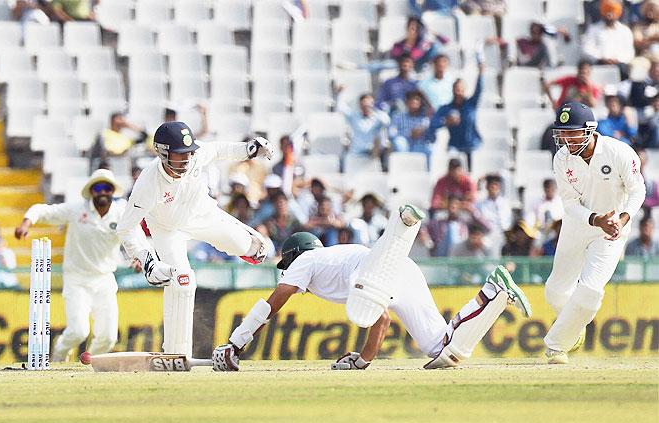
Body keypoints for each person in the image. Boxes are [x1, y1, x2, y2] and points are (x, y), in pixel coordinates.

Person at [209, 206, 531, 372]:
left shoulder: (306, 261)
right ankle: (492, 292)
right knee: (443, 351)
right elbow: (383, 320)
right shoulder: (330, 259)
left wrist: (235, 344)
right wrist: (363, 358)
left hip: (373, 269)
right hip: (400, 270)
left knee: (366, 309)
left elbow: (271, 304)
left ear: (294, 255)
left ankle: (402, 223)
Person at [116, 122, 275, 357]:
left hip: (203, 214)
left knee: (256, 249)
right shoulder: (148, 183)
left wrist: (249, 149)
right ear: (162, 153)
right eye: (178, 156)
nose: (186, 161)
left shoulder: (195, 155)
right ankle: (175, 354)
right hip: (167, 229)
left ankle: (245, 245)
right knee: (182, 282)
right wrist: (147, 260)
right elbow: (126, 228)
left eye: (188, 154)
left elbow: (220, 150)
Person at [544, 102, 646, 364]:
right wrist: (594, 219)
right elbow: (569, 204)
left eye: (572, 132)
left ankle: (556, 346)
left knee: (590, 290)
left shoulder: (619, 152)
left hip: (612, 229)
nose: (566, 139)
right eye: (562, 133)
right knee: (555, 292)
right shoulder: (562, 158)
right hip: (579, 224)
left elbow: (638, 191)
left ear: (589, 130)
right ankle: (573, 331)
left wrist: (621, 220)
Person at [14, 169, 142, 361]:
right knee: (78, 331)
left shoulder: (121, 212)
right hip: (77, 279)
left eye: (107, 188)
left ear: (112, 191)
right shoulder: (77, 210)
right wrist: (26, 223)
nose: (102, 192)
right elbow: (43, 210)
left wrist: (138, 256)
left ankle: (91, 365)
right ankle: (58, 357)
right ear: (91, 191)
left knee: (108, 337)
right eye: (98, 188)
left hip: (104, 279)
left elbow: (136, 237)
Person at [426, 58, 485, 167]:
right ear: (453, 90)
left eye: (461, 89)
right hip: (455, 146)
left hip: (472, 145)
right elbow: (433, 123)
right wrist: (445, 121)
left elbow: (479, 90)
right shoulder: (446, 108)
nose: (459, 92)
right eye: (456, 89)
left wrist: (481, 74)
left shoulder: (471, 104)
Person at [581, 0, 635, 79]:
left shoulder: (625, 31)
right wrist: (602, 58)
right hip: (599, 64)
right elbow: (586, 49)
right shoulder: (593, 29)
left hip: (619, 65)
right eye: (607, 12)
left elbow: (629, 52)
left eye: (613, 12)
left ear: (618, 14)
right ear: (602, 13)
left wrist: (617, 59)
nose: (610, 15)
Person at [336, 89, 390, 158]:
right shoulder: (354, 116)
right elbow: (341, 108)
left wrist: (376, 111)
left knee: (382, 133)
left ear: (373, 103)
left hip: (374, 151)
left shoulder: (379, 116)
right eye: (364, 104)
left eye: (369, 104)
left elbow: (387, 121)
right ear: (360, 105)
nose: (366, 107)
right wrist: (341, 93)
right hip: (357, 151)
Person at [388, 90, 432, 164]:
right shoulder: (398, 116)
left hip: (419, 144)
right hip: (403, 144)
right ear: (406, 102)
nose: (415, 102)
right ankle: (402, 167)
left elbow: (430, 135)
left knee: (429, 149)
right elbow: (391, 133)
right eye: (412, 99)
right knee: (399, 141)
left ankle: (427, 173)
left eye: (417, 100)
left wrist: (421, 132)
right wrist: (409, 134)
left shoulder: (424, 118)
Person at [476, 174, 512, 255]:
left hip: (504, 235)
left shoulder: (505, 203)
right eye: (491, 185)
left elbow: (507, 222)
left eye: (496, 185)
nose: (494, 188)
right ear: (487, 187)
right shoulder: (480, 204)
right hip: (487, 236)